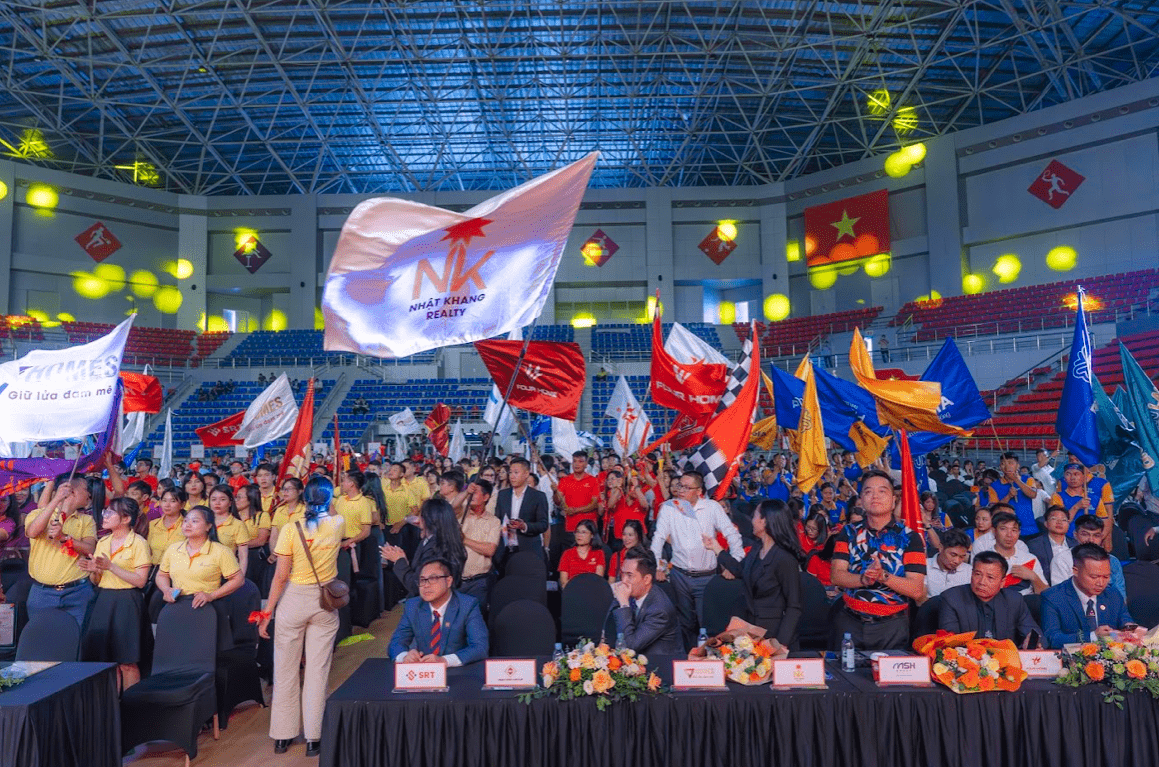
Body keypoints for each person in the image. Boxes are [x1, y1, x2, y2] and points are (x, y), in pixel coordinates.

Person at [258, 477, 346, 757]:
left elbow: (280, 577)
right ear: (329, 500)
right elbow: (331, 511)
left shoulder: (290, 529)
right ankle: (314, 738)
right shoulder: (338, 523)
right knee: (318, 671)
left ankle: (282, 737)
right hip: (325, 601)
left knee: (285, 671)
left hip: (294, 599)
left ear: (304, 499)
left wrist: (267, 613)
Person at [829, 470, 926, 651]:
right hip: (849, 623)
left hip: (892, 627)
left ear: (893, 500)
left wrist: (883, 576)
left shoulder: (910, 538)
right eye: (868, 491)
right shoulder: (848, 532)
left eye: (882, 491)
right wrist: (863, 579)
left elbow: (916, 590)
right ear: (861, 500)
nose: (875, 496)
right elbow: (836, 576)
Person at [649, 471, 743, 649]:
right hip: (679, 575)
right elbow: (658, 537)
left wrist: (735, 563)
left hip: (707, 577)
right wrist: (657, 565)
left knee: (706, 623)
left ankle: (709, 660)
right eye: (679, 486)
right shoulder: (669, 508)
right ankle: (686, 658)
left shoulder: (712, 508)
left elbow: (732, 534)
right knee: (683, 624)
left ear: (699, 491)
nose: (681, 490)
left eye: (686, 487)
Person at [704, 499, 803, 648]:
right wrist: (717, 548)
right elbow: (740, 570)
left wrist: (779, 645)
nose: (752, 520)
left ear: (765, 521)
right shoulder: (757, 548)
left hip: (773, 635)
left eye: (755, 516)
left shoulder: (785, 559)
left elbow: (793, 606)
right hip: (750, 631)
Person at [78, 497, 151, 690]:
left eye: (110, 512)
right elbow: (97, 581)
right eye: (105, 511)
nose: (105, 515)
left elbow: (140, 581)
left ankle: (131, 703)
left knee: (127, 661)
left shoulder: (139, 543)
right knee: (108, 661)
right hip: (104, 599)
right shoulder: (103, 542)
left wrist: (111, 566)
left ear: (126, 519)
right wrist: (93, 570)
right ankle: (114, 703)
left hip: (127, 602)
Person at [156, 505, 245, 650]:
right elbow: (161, 575)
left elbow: (238, 580)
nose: (188, 524)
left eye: (195, 521)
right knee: (177, 651)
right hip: (178, 605)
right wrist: (166, 589)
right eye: (186, 521)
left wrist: (211, 595)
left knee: (205, 654)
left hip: (207, 607)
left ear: (208, 526)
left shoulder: (220, 551)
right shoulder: (173, 549)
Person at [24, 477, 100, 628]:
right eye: (86, 490)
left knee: (77, 638)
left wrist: (63, 537)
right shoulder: (37, 514)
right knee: (41, 637)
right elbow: (32, 532)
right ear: (71, 491)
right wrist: (57, 498)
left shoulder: (86, 520)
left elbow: (90, 549)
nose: (89, 495)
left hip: (78, 591)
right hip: (42, 592)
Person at [387, 558, 489, 665]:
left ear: (448, 581)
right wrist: (404, 656)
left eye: (433, 578)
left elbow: (480, 647)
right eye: (422, 580)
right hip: (424, 671)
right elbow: (396, 643)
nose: (426, 585)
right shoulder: (413, 606)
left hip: (457, 670)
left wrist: (445, 660)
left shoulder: (467, 605)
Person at [1041, 543, 1141, 648]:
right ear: (1075, 571)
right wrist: (1093, 637)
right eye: (1094, 577)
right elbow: (1052, 639)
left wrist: (1130, 629)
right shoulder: (1053, 597)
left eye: (1106, 577)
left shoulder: (1113, 594)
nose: (1101, 583)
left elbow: (1125, 620)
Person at [938, 552, 1043, 646]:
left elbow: (1036, 635)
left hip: (1007, 658)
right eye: (977, 574)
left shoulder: (1014, 601)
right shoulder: (952, 599)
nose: (982, 582)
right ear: (971, 574)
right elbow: (949, 644)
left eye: (990, 577)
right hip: (967, 659)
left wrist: (1034, 643)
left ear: (1002, 582)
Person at [381, 497, 467, 596]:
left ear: (428, 520)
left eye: (420, 515)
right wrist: (404, 560)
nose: (418, 520)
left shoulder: (436, 547)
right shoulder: (433, 540)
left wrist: (398, 561)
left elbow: (417, 585)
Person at [610, 547, 683, 655]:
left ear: (647, 579)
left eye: (629, 575)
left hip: (660, 662)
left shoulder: (659, 610)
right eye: (622, 574)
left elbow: (629, 646)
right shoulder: (631, 595)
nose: (623, 581)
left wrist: (624, 604)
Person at [495, 458, 550, 559]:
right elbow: (497, 519)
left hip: (529, 548)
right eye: (510, 472)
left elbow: (543, 524)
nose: (512, 476)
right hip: (505, 549)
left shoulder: (538, 496)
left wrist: (524, 526)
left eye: (516, 472)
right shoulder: (503, 495)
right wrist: (503, 526)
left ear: (526, 474)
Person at [459, 479, 501, 606]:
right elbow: (452, 505)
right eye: (470, 492)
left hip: (479, 581)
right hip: (456, 579)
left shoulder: (494, 521)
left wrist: (464, 540)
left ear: (486, 497)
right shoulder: (460, 513)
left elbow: (490, 550)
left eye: (475, 492)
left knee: (476, 614)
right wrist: (466, 492)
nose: (471, 495)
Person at [989, 511, 1047, 595]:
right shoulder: (985, 559)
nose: (1009, 535)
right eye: (1003, 529)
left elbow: (1046, 594)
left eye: (1014, 530)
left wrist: (1033, 577)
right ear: (994, 531)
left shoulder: (1030, 559)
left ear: (1019, 533)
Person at [1050, 462, 1111, 540]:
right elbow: (1058, 523)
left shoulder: (1095, 499)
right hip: (1065, 540)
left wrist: (1096, 539)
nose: (1072, 477)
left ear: (1084, 477)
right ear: (1064, 478)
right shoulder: (1057, 496)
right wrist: (1077, 506)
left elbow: (1105, 522)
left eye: (1076, 474)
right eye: (1068, 474)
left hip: (1089, 542)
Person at [1073, 513, 1127, 600]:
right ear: (1076, 535)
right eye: (1085, 534)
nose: (1091, 540)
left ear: (1101, 537)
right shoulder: (1064, 559)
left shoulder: (1112, 561)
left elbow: (1121, 597)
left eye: (1096, 535)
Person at [984, 453, 1038, 533]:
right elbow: (994, 509)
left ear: (1018, 465)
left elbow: (1033, 494)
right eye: (1003, 464)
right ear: (1000, 467)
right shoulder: (994, 486)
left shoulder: (1028, 479)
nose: (1007, 466)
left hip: (1028, 528)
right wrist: (1008, 496)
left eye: (1010, 463)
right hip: (1006, 530)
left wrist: (1016, 479)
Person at [555, 451, 601, 547]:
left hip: (588, 528)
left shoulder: (593, 480)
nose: (576, 464)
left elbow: (594, 505)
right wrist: (555, 492)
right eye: (574, 461)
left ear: (586, 464)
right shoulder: (564, 480)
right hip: (571, 527)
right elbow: (557, 502)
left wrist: (575, 510)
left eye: (580, 461)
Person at [209, 485, 253, 579]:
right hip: (203, 573)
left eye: (222, 499)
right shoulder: (204, 522)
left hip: (226, 574)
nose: (217, 503)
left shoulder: (238, 524)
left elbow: (243, 557)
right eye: (213, 499)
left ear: (230, 503)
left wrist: (239, 579)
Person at [1027, 506, 1076, 587]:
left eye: (1064, 520)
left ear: (1068, 524)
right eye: (1054, 519)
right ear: (1046, 524)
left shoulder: (1075, 545)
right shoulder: (1034, 545)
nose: (1059, 522)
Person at [923, 527, 972, 600]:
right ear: (941, 548)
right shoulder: (924, 566)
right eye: (953, 555)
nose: (957, 561)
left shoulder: (969, 572)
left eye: (962, 557)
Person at [558, 519, 606, 589]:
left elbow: (598, 579)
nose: (579, 535)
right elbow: (563, 582)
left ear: (592, 535)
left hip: (591, 589)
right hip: (572, 589)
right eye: (577, 532)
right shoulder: (567, 553)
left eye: (583, 532)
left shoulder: (598, 553)